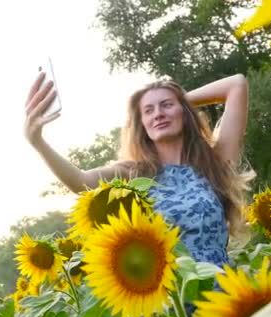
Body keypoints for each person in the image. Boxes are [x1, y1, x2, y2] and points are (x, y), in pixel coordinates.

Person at [23, 73, 251, 269]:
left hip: (222, 299)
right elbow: (80, 181)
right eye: (148, 111)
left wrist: (181, 99)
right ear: (141, 124)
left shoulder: (214, 162)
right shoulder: (133, 173)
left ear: (185, 112)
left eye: (166, 105)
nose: (158, 114)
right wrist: (38, 142)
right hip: (171, 308)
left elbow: (236, 85)